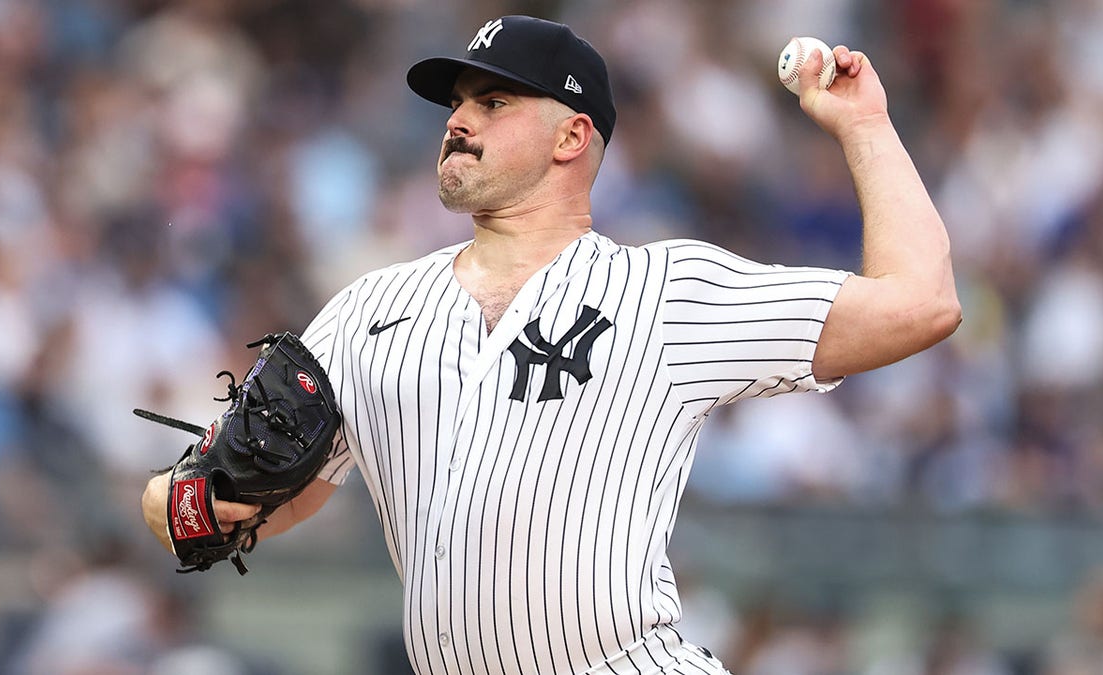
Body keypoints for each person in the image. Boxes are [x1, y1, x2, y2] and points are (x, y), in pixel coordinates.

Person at [140, 14, 960, 674]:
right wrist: (183, 505)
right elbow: (255, 500)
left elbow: (920, 303)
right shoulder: (367, 310)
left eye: (494, 103)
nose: (458, 120)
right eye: (458, 103)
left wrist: (866, 126)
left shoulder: (665, 291)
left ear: (571, 138)